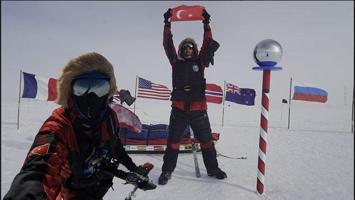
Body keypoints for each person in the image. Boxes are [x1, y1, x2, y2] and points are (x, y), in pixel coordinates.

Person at [4, 52, 155, 200]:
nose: (91, 96)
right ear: (70, 92)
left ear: (109, 91)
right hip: (75, 192)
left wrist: (133, 169)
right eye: (82, 88)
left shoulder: (110, 118)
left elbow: (115, 146)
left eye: (99, 88)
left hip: (100, 186)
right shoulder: (60, 125)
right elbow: (38, 169)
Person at [158, 8, 227, 185]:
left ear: (194, 50)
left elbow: (207, 42)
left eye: (191, 47)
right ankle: (167, 171)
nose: (188, 49)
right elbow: (167, 44)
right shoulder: (175, 62)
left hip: (199, 111)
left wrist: (206, 24)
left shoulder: (200, 62)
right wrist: (167, 24)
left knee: (206, 142)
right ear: (181, 50)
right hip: (179, 110)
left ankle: (213, 169)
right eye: (185, 47)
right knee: (173, 143)